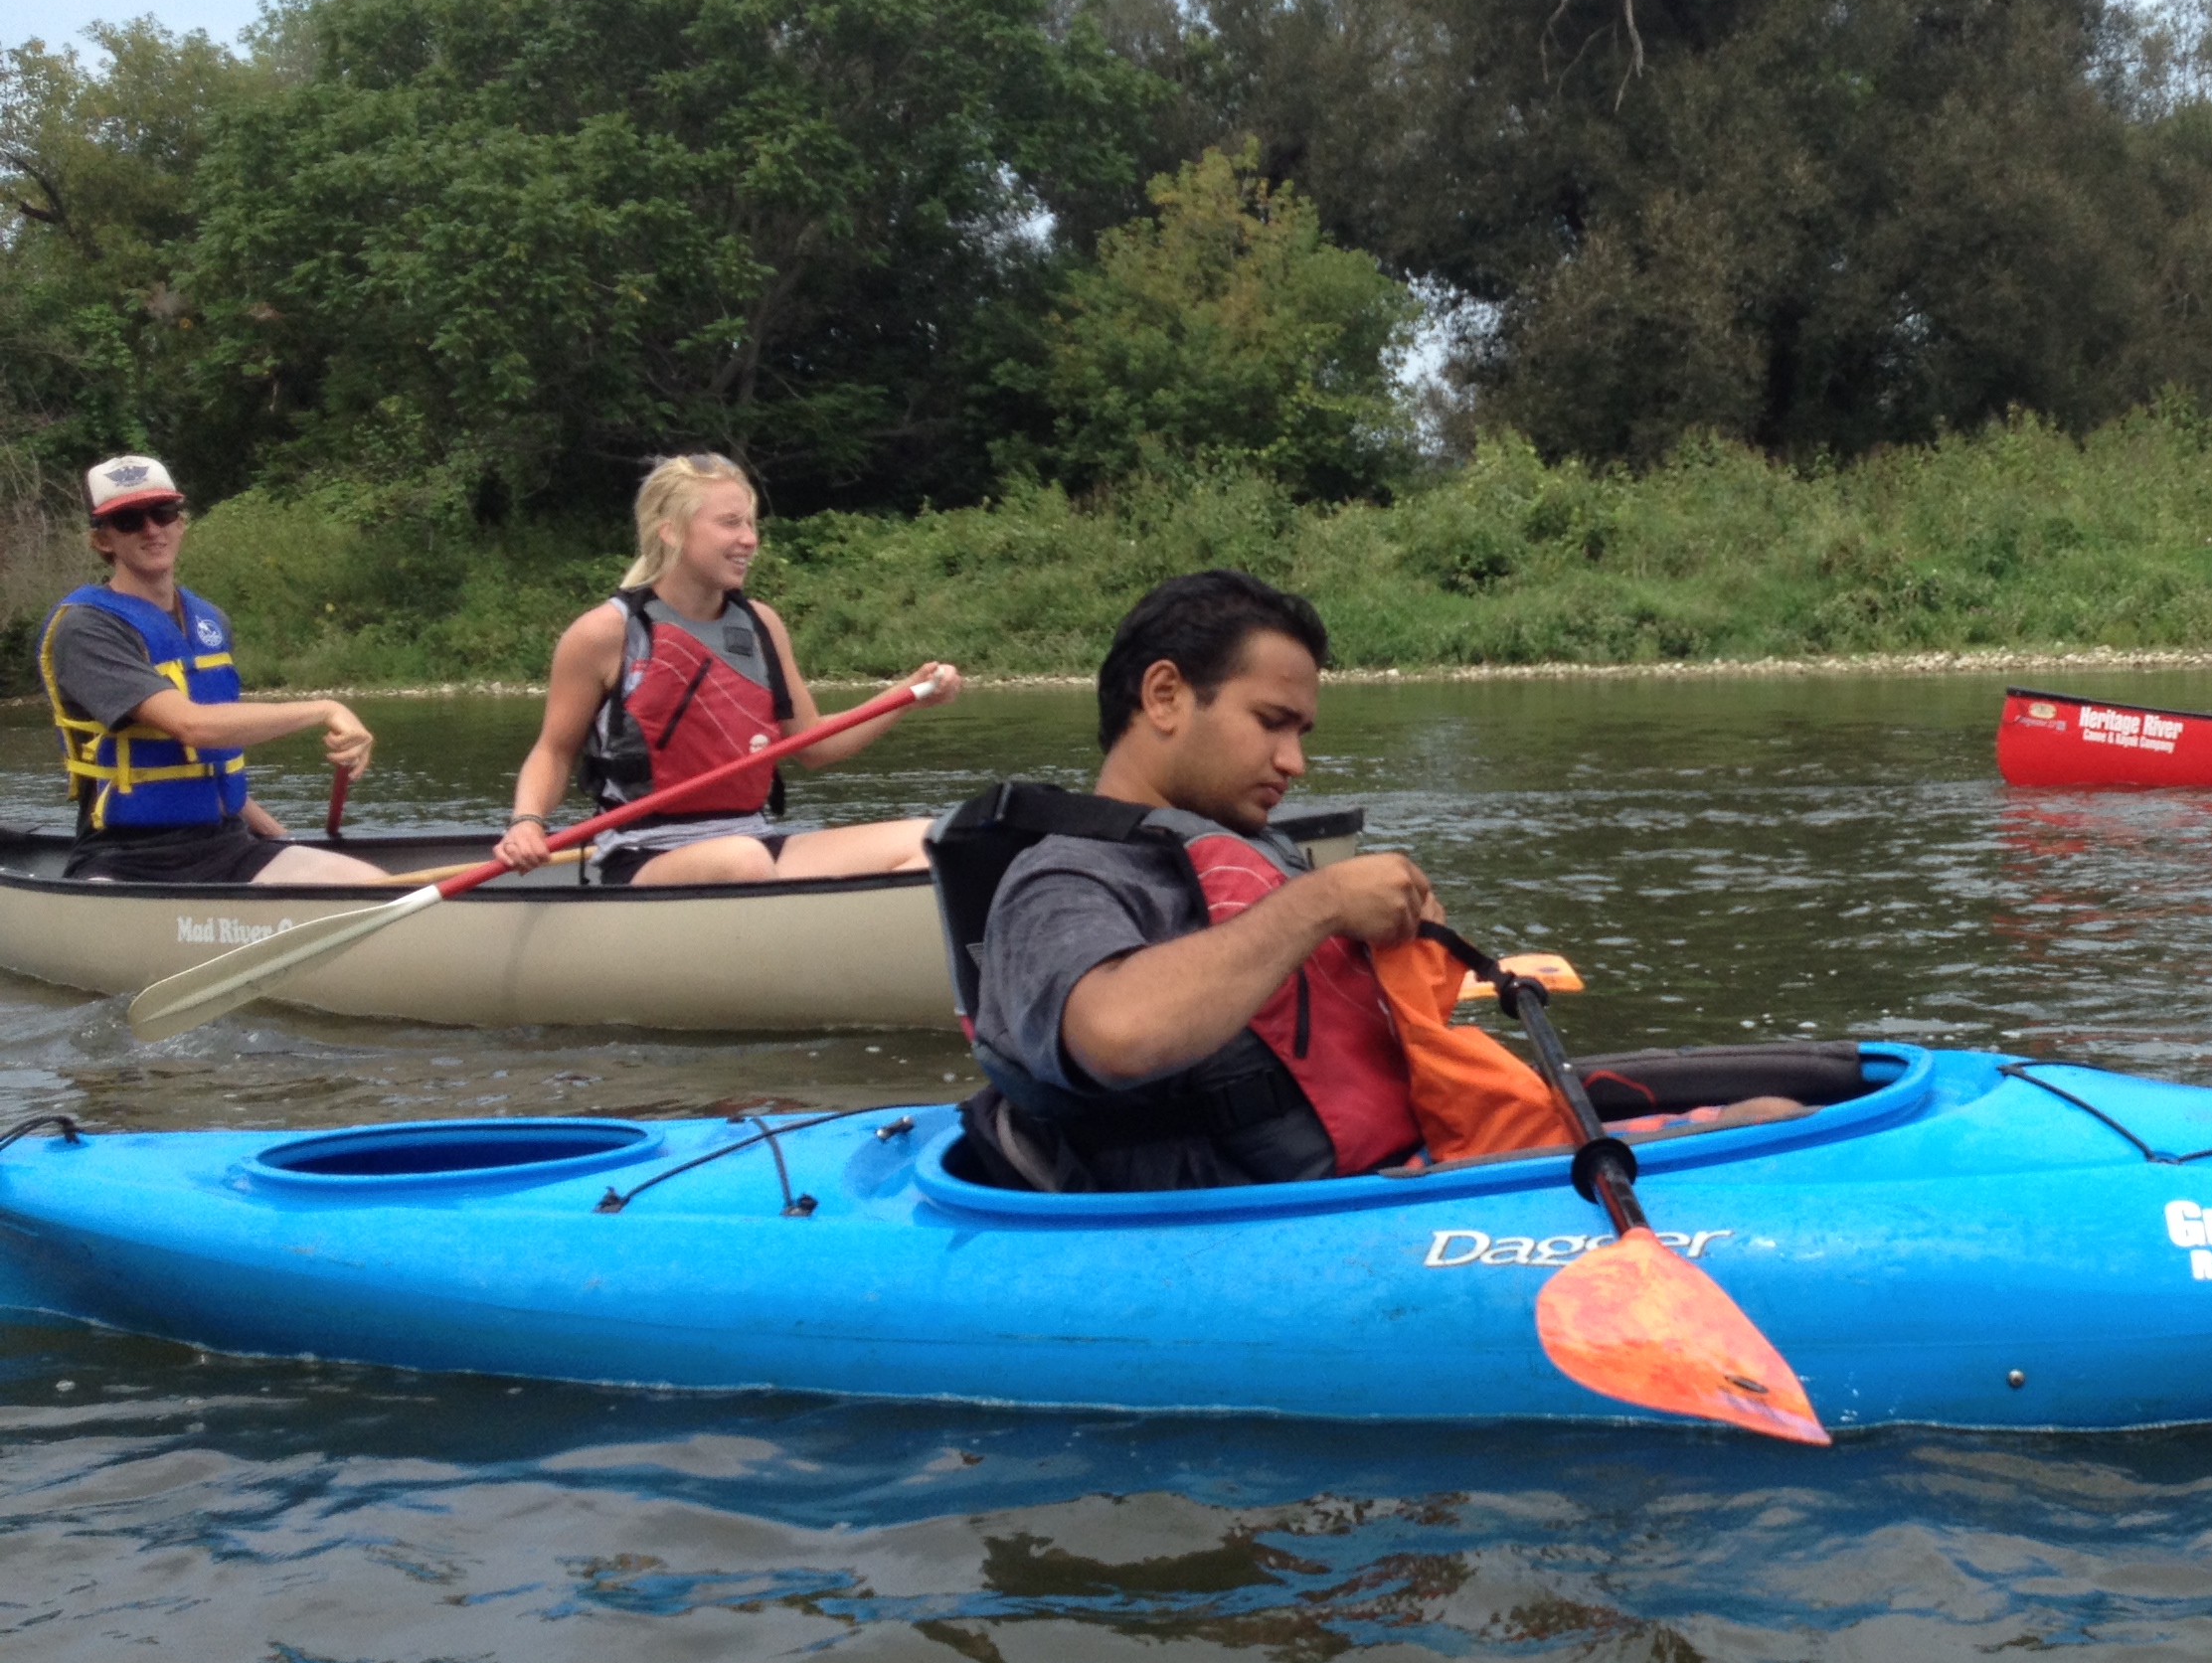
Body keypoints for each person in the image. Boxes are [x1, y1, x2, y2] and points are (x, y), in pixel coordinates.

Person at [959, 570, 1799, 1194]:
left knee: (1775, 1114)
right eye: (1271, 723)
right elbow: (1117, 1033)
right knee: (1768, 1134)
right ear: (1167, 695)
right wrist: (1322, 901)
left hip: (1394, 1172)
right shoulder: (1060, 879)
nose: (1295, 761)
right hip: (1268, 1224)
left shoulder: (1261, 862)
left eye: (1302, 730)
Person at [495, 454, 961, 884]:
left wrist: (909, 693)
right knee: (742, 860)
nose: (749, 539)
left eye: (750, 523)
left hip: (752, 840)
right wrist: (527, 822)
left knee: (936, 839)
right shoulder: (605, 633)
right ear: (671, 531)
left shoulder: (762, 625)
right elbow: (554, 752)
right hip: (645, 853)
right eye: (730, 523)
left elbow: (815, 743)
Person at [36, 454, 383, 885]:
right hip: (126, 859)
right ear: (102, 540)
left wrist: (284, 839)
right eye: (128, 519)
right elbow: (193, 728)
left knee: (384, 890)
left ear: (181, 523)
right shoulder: (87, 628)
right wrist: (324, 708)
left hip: (229, 846)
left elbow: (209, 760)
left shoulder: (209, 620)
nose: (151, 529)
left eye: (163, 513)